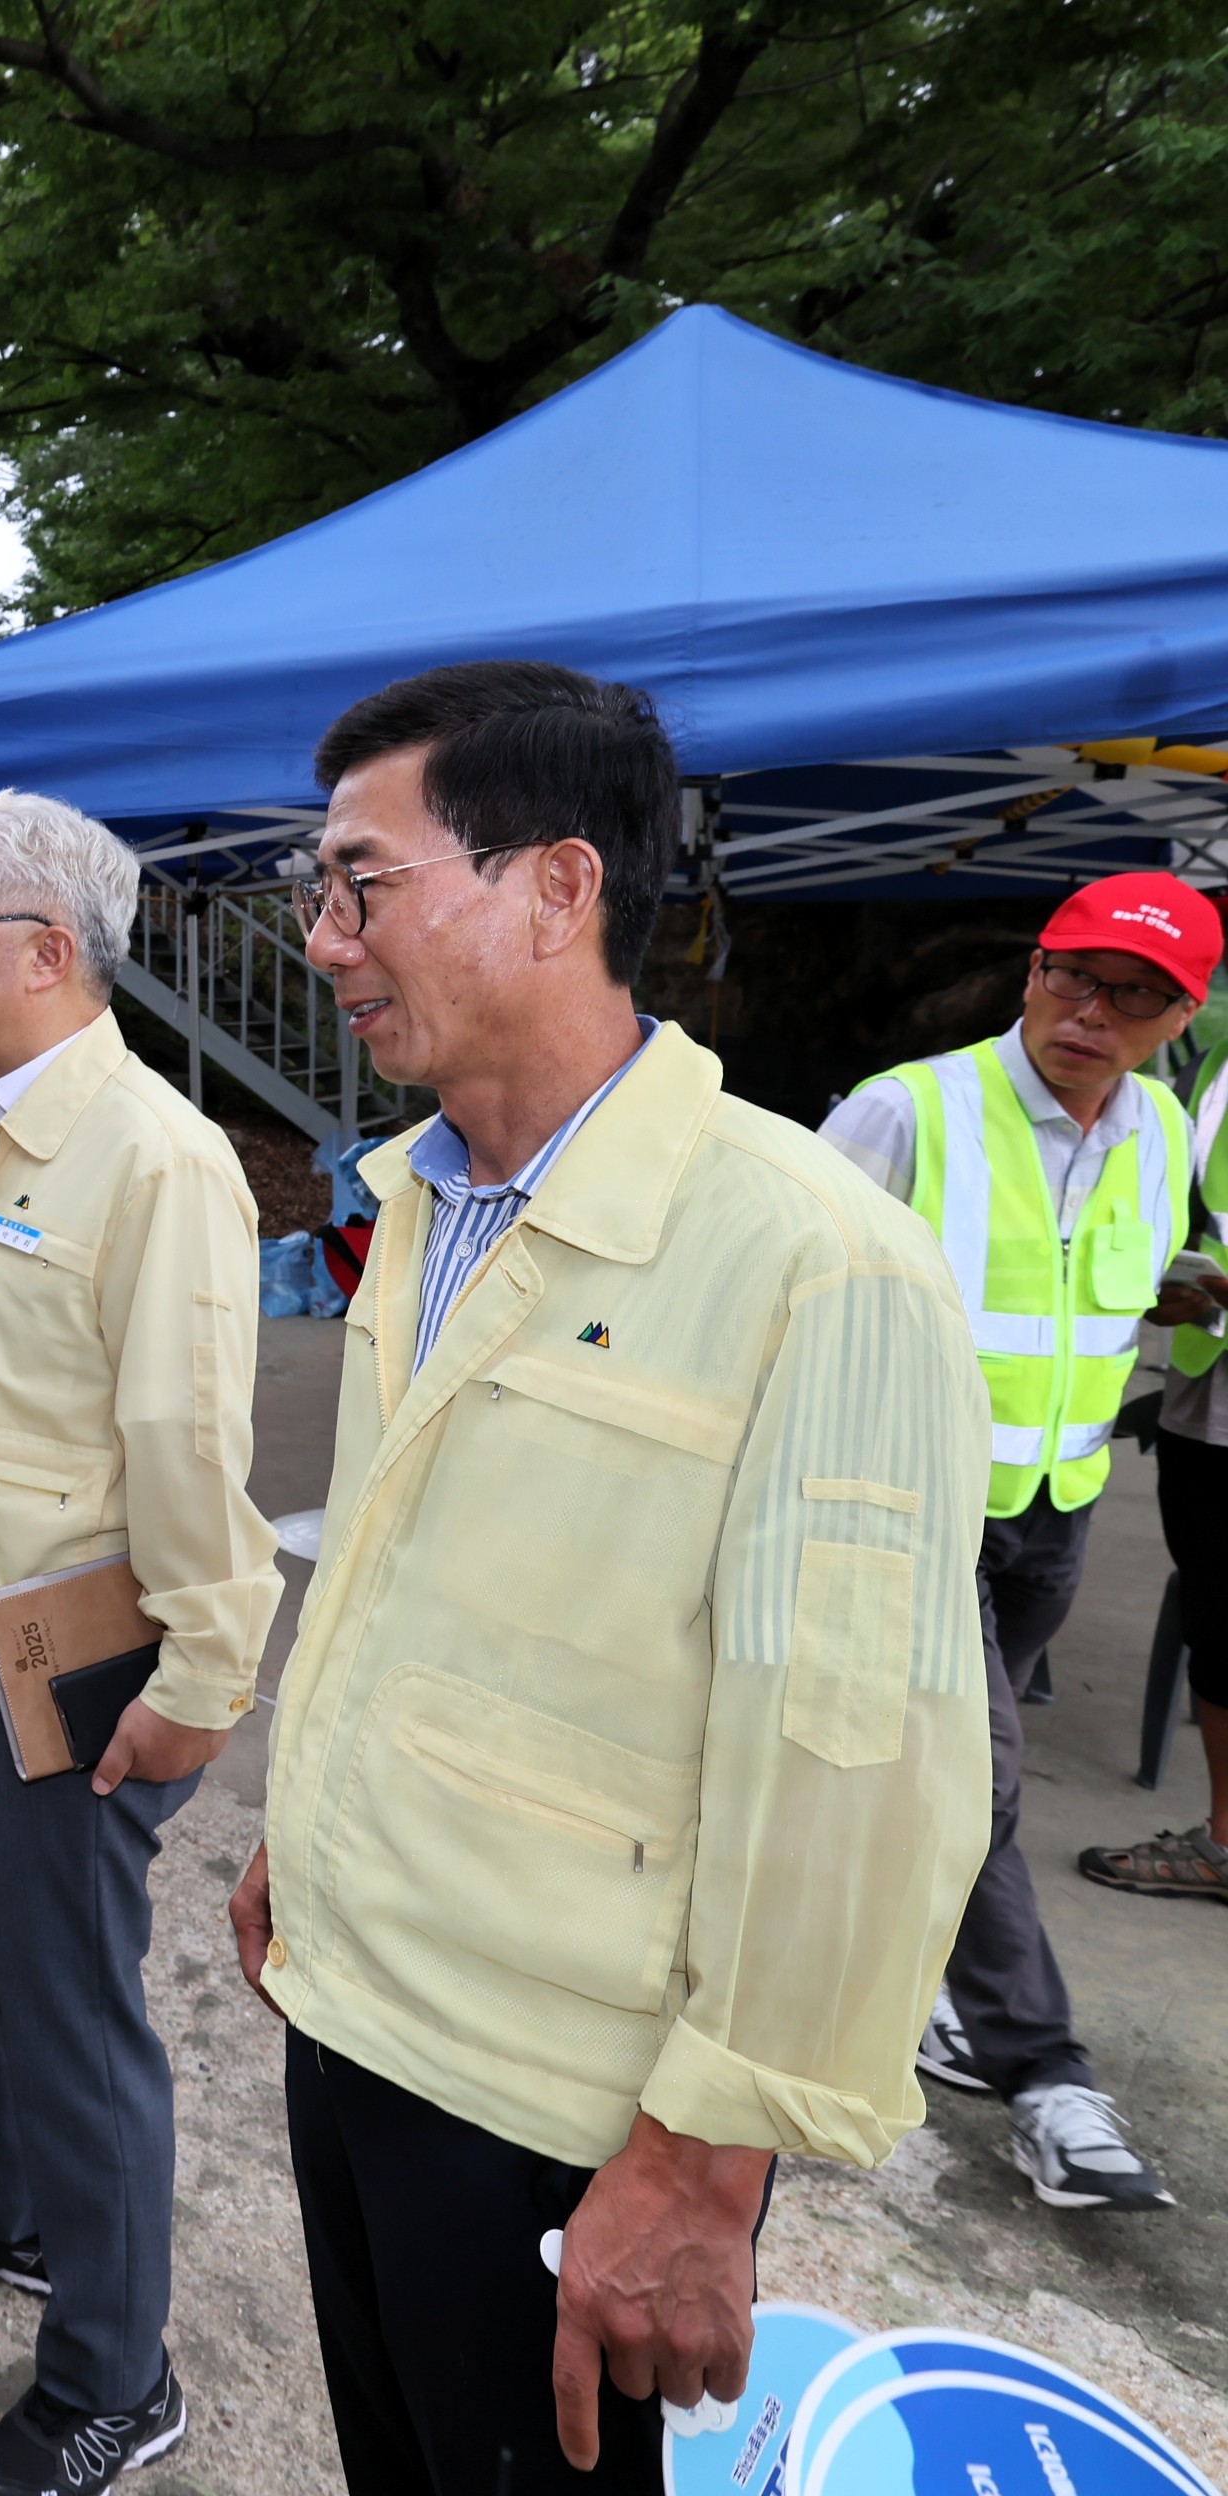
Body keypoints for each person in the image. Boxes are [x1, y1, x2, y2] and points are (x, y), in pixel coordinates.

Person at [228, 662, 991, 2494]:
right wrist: (303, 1830)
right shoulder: (420, 1194)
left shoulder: (817, 1263)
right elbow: (408, 1564)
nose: (326, 939)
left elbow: (853, 1766)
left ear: (554, 888)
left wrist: (705, 2158)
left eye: (359, 883)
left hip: (560, 2105)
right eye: (316, 893)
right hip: (354, 2003)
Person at [0, 794, 280, 2496]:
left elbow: (185, 1448)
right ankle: (0, 2203)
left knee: (75, 2009)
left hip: (71, 1653)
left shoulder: (155, 1159)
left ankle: (114, 2369)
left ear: (43, 952)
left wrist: (199, 1681)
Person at [813, 870, 1214, 2210]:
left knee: (931, 1783)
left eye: (1132, 995)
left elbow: (1095, 1278)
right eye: (1068, 975)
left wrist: (1187, 1288)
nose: (1086, 1012)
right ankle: (1048, 2081)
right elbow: (787, 1274)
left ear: (1181, 1018)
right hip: (908, 1504)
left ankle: (915, 1987)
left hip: (1057, 1506)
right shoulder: (906, 1111)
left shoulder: (1161, 1133)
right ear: (1033, 969)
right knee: (975, 1785)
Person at [1077, 1030, 1228, 1909]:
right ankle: (1221, 1840)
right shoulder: (1209, 1066)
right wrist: (1169, 1284)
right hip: (1207, 1394)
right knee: (1219, 1622)